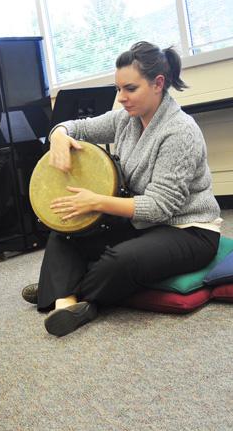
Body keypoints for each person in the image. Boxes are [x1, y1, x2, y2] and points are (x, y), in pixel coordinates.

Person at [21, 41, 221, 337]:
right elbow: (77, 127)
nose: (121, 98)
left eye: (130, 88)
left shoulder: (179, 131)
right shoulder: (127, 120)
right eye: (118, 89)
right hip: (141, 224)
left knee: (120, 261)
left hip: (188, 231)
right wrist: (59, 136)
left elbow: (159, 207)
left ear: (158, 84)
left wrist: (96, 202)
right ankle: (68, 301)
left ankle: (63, 288)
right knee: (67, 227)